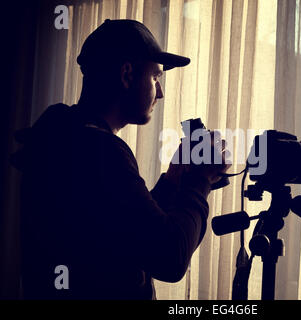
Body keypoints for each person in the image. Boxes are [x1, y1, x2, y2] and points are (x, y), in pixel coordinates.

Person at [11, 19, 230, 299]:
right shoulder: (101, 150)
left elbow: (126, 233)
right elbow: (169, 258)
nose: (160, 93)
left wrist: (174, 179)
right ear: (127, 75)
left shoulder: (65, 138)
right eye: (156, 78)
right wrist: (200, 182)